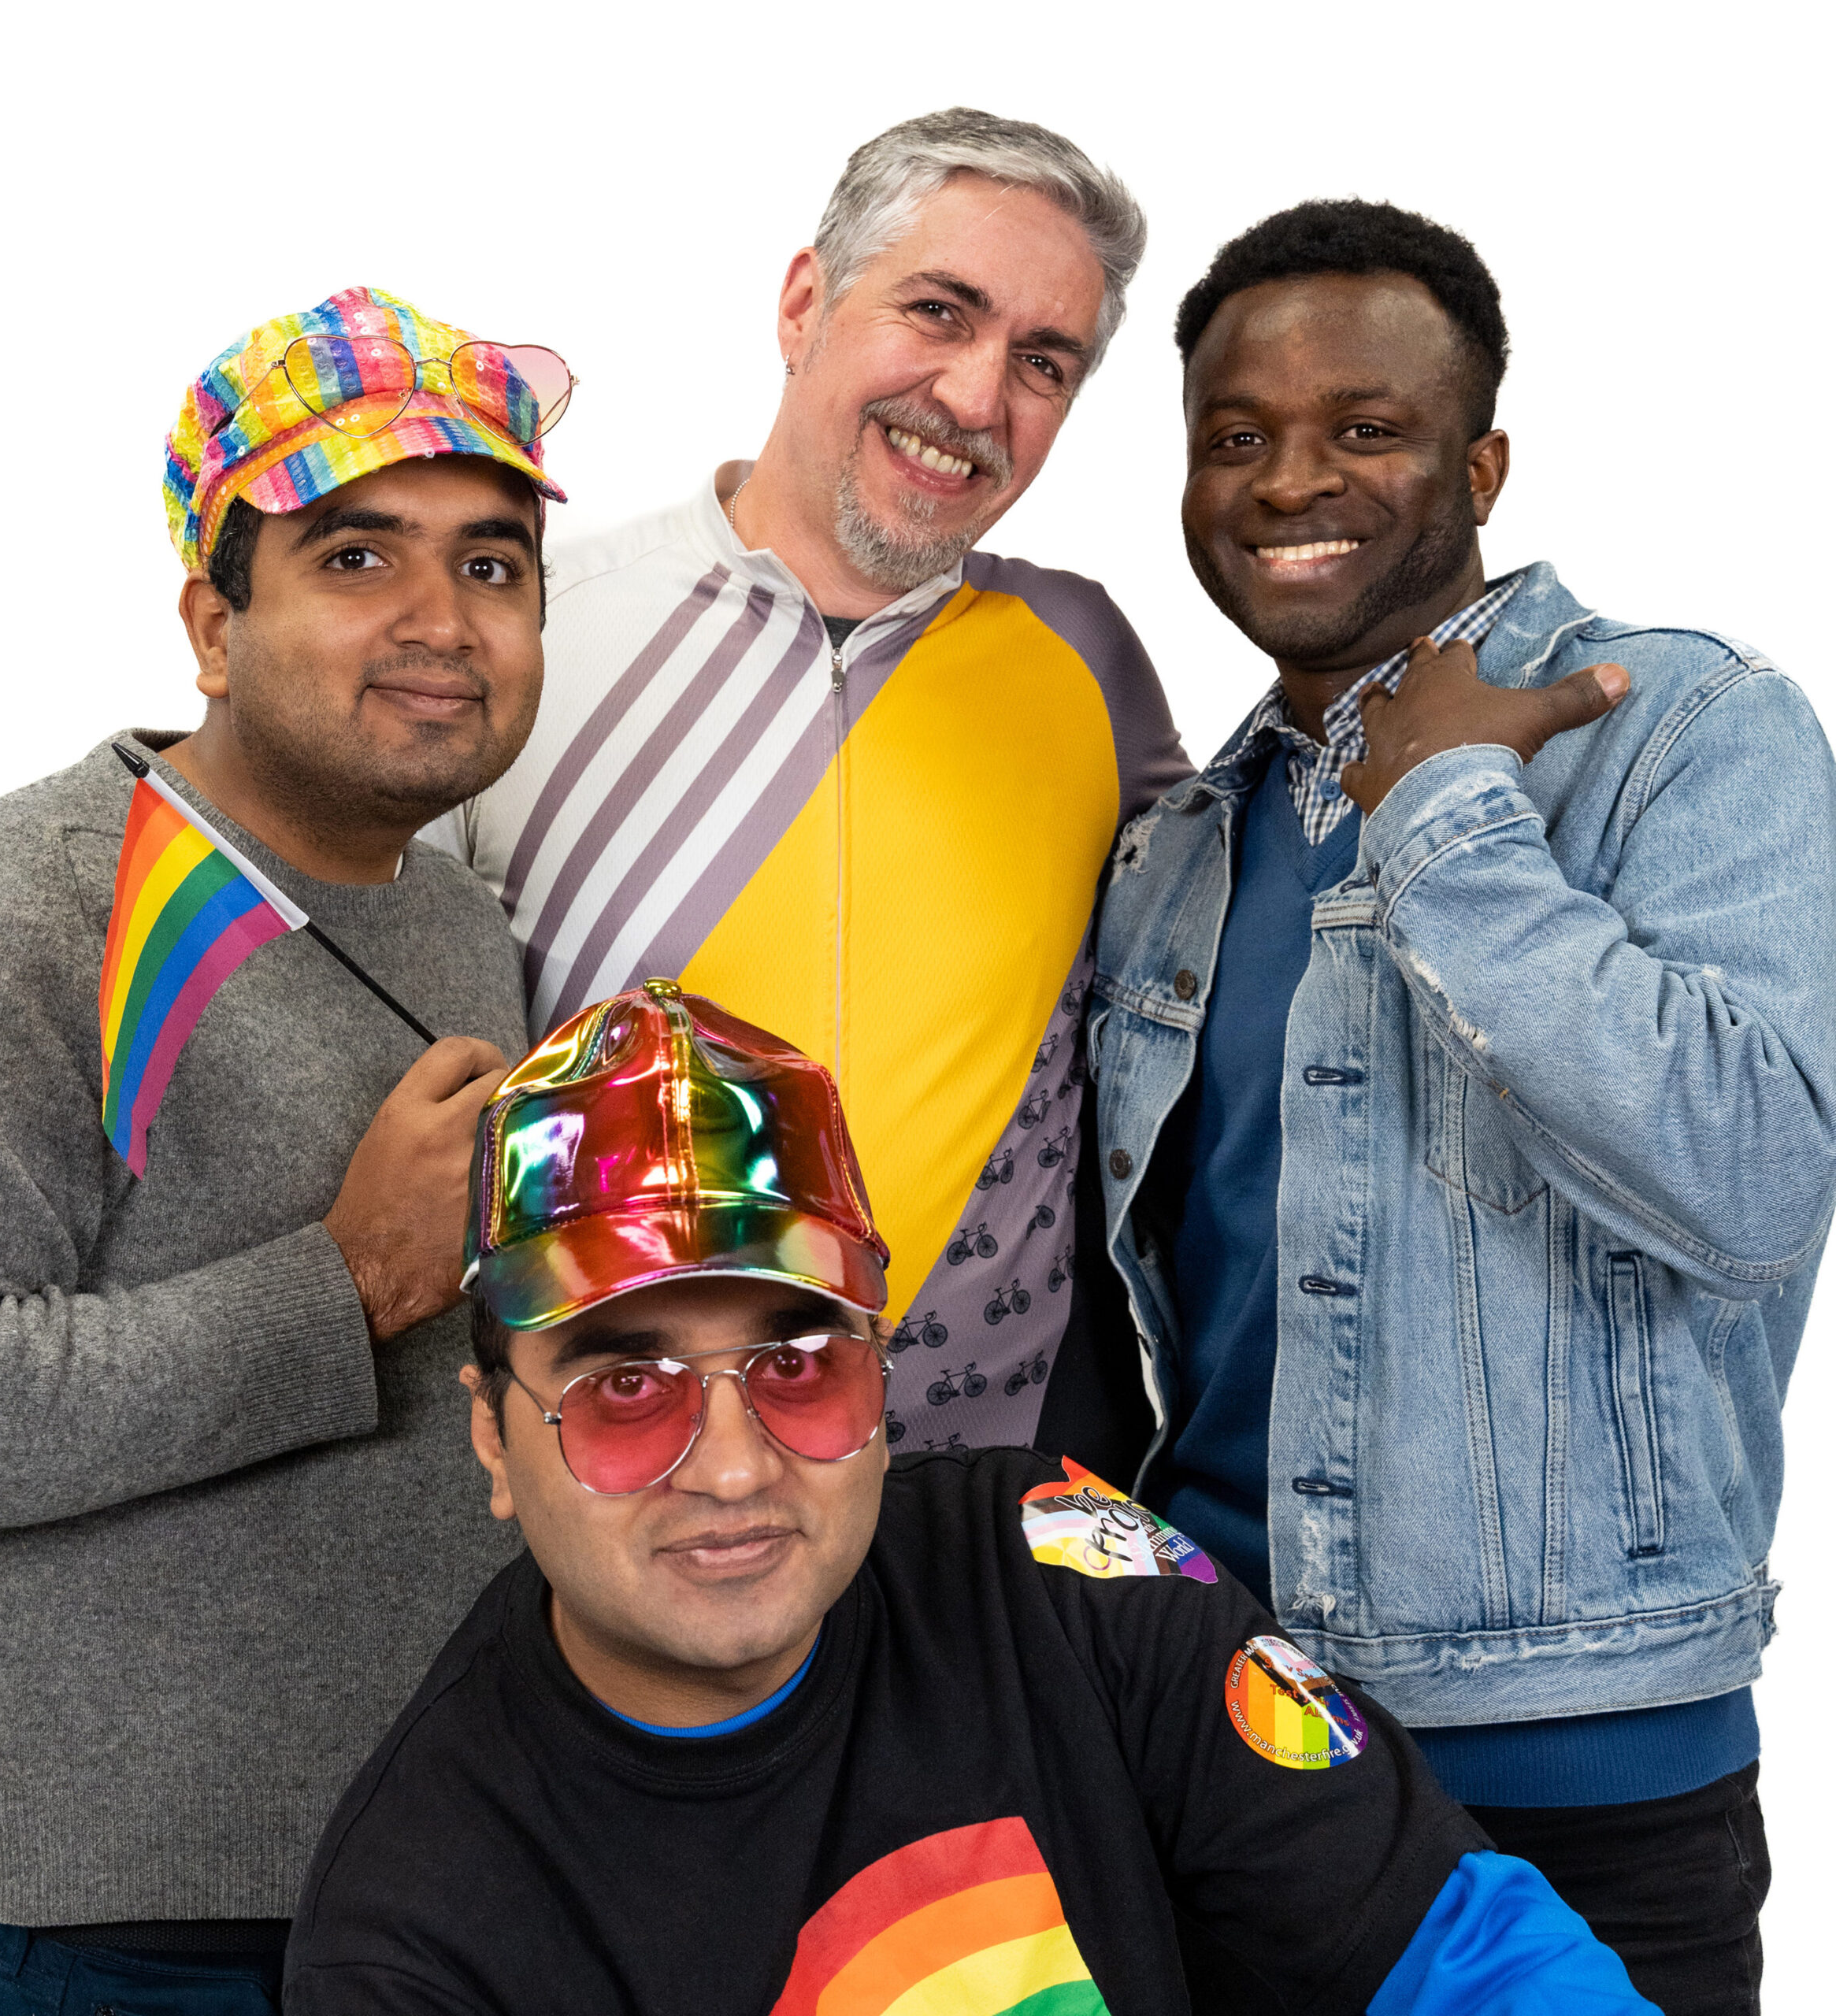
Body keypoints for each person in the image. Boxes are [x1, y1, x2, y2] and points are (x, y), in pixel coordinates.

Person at [281, 977, 1656, 2014]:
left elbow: (1464, 1957)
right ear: (493, 1442)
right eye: (625, 1391)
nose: (739, 1464)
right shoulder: (415, 1927)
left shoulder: (1067, 1569)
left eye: (801, 1366)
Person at [1089, 200, 1836, 2014]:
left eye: (1364, 427)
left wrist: (1448, 821)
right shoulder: (1182, 839)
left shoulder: (1685, 724)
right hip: (1234, 1732)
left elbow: (1748, 1172)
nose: (1288, 480)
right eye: (1235, 436)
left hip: (1576, 1761)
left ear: (1478, 459)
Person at [0, 286, 572, 2010]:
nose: (441, 621)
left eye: (492, 563)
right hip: (133, 1935)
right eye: (355, 556)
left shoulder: (466, 921)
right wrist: (342, 1282)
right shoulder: (23, 905)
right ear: (213, 622)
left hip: (462, 1867)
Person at [427, 108, 1189, 1475]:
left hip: (993, 1486)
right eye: (938, 311)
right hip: (636, 1484)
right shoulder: (534, 633)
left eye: (1042, 361)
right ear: (803, 302)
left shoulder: (1088, 661)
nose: (973, 397)